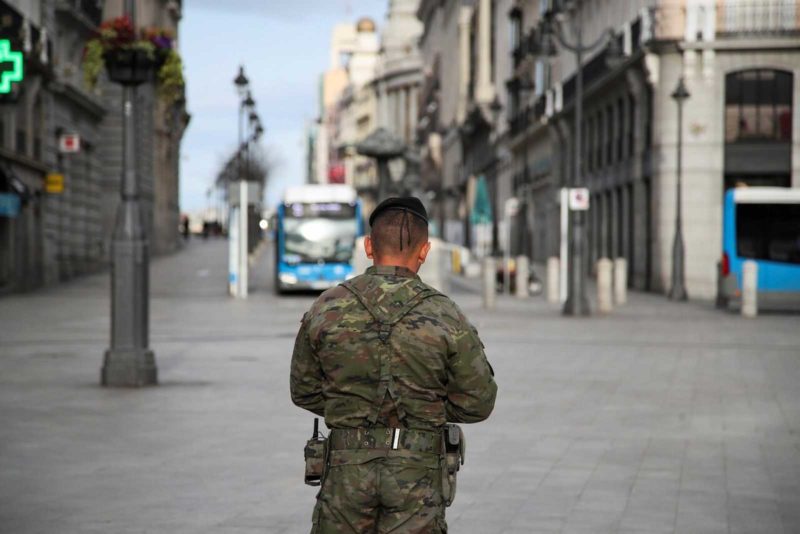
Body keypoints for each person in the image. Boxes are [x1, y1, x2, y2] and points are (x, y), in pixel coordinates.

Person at [290, 197, 497, 533]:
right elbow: (479, 402)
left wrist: (349, 406)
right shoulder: (447, 315)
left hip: (346, 470)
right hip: (417, 475)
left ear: (369, 246)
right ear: (425, 251)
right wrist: (423, 410)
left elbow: (303, 390)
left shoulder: (327, 306)